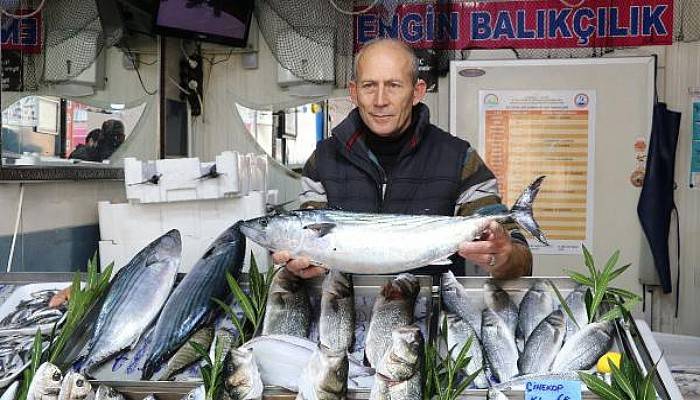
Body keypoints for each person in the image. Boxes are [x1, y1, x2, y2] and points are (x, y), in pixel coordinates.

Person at [274, 38, 533, 280]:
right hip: (345, 316)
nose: (380, 100)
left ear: (417, 91)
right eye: (369, 86)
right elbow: (311, 238)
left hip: (429, 319)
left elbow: (522, 261)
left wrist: (503, 255)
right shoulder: (323, 160)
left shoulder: (458, 159)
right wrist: (304, 264)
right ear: (353, 92)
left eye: (394, 85)